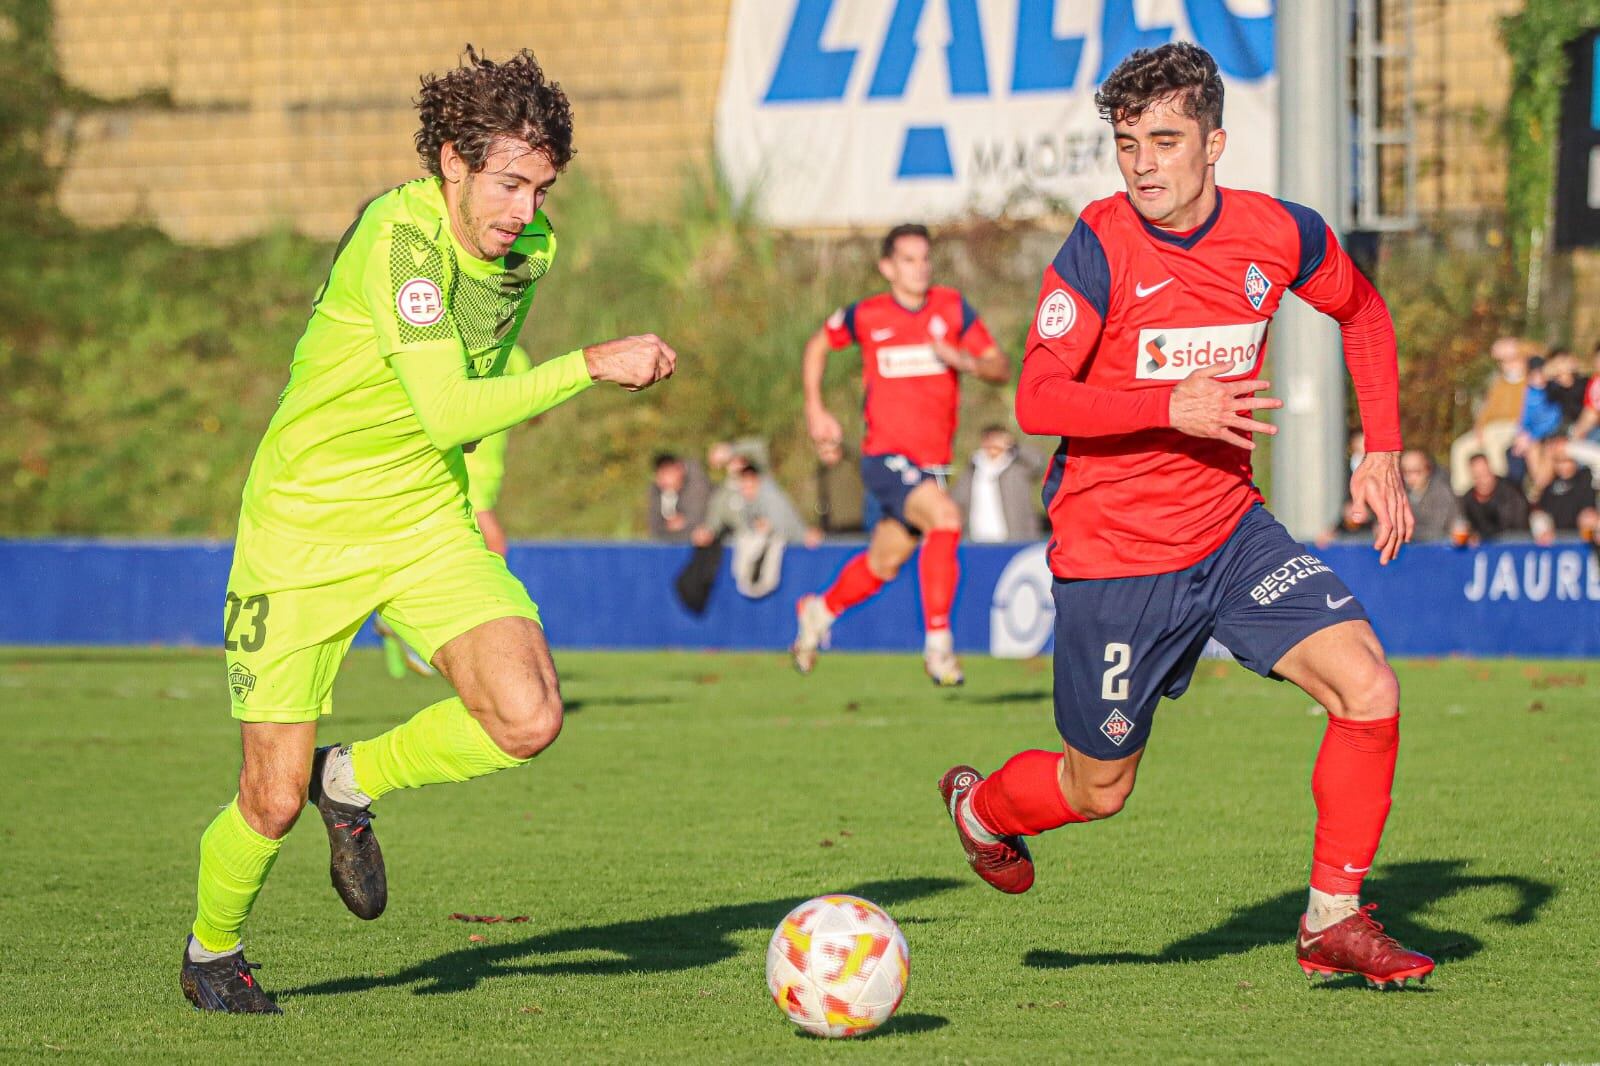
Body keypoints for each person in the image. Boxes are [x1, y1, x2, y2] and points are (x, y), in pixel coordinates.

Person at [181, 47, 678, 1013]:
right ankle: (212, 951)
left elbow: (462, 406)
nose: (522, 212)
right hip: (303, 529)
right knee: (269, 802)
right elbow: (451, 406)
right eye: (505, 183)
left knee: (529, 716)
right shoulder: (399, 238)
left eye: (539, 188)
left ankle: (353, 779)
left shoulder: (527, 252)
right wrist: (588, 364)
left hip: (421, 519)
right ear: (451, 161)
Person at [936, 42, 1434, 989]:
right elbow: (1037, 398)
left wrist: (1381, 447)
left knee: (1367, 687)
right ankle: (985, 812)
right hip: (1115, 558)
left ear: (1216, 144)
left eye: (1165, 141)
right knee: (1099, 790)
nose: (1144, 165)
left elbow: (1363, 314)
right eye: (1128, 144)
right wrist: (1173, 405)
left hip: (1230, 534)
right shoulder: (1099, 244)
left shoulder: (1277, 233)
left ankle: (1334, 917)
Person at [792, 224, 1009, 685]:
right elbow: (817, 344)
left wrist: (962, 360)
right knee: (946, 518)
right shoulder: (868, 314)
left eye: (925, 258)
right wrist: (815, 409)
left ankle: (818, 611)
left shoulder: (950, 308)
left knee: (885, 561)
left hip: (932, 465)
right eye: (908, 259)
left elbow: (999, 365)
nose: (920, 268)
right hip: (887, 458)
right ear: (887, 267)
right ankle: (939, 648)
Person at [377, 343, 531, 679]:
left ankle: (400, 617)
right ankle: (431, 626)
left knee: (466, 551)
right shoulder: (454, 350)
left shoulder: (516, 356)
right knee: (492, 548)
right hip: (462, 466)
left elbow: (532, 408)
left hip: (489, 472)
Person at [1448, 337, 1528, 493]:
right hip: (1490, 428)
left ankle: (1500, 491)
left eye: (1511, 359)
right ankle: (1463, 493)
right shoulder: (1498, 383)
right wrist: (1479, 427)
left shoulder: (1529, 381)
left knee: (1493, 444)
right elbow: (1486, 410)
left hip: (1513, 426)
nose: (1508, 364)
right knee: (1460, 447)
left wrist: (1513, 347)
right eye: (1503, 361)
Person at [951, 425, 1046, 543]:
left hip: (1017, 540)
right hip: (977, 540)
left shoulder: (1018, 466)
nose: (993, 443)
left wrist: (1014, 446)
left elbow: (1038, 462)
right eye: (989, 438)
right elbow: (957, 501)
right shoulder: (971, 469)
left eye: (997, 438)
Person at [1507, 355, 1561, 491]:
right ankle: (1538, 487)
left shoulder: (1553, 390)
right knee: (1525, 452)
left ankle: (1540, 488)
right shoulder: (1528, 392)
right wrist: (1521, 435)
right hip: (1533, 437)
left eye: (1540, 372)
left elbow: (1553, 418)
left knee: (1543, 450)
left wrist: (1531, 435)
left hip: (1552, 432)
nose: (1538, 376)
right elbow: (1524, 418)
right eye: (1534, 373)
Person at [1530, 438, 1597, 544]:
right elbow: (1539, 512)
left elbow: (1596, 458)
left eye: (1567, 460)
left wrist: (1569, 448)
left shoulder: (1586, 476)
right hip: (1557, 542)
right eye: (1558, 461)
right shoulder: (1549, 484)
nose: (1563, 466)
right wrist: (1542, 529)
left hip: (1585, 540)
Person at [1458, 452, 1530, 544]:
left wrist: (1482, 537)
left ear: (1491, 470)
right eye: (1477, 476)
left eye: (1485, 474)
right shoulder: (1468, 500)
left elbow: (1512, 528)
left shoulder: (1510, 492)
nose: (1483, 480)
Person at [648, 452, 711, 542]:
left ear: (679, 468)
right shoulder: (658, 490)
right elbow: (655, 528)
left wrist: (684, 524)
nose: (661, 479)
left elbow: (702, 529)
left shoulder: (698, 487)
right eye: (659, 474)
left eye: (666, 473)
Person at [1399, 450, 1458, 542]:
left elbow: (1438, 530)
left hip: (1437, 546)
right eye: (1405, 472)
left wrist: (1404, 532)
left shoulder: (1441, 493)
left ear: (1428, 470)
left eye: (1416, 471)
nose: (1410, 477)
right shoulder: (1400, 492)